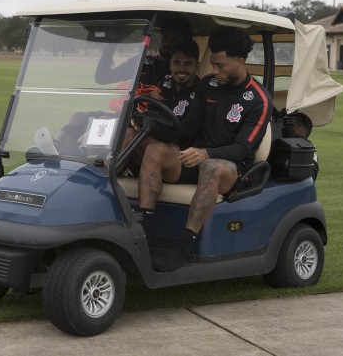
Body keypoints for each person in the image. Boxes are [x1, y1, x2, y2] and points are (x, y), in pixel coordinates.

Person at [136, 26, 273, 272]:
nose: (215, 71)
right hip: (196, 156)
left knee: (210, 167)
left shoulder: (258, 99)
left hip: (232, 169)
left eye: (221, 66)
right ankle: (143, 235)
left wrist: (207, 153)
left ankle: (183, 247)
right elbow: (188, 128)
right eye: (213, 64)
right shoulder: (208, 85)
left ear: (240, 61)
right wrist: (153, 127)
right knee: (155, 150)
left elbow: (242, 149)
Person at [55, 16, 193, 155]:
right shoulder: (144, 62)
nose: (166, 44)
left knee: (105, 123)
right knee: (79, 116)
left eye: (173, 39)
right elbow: (103, 77)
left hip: (148, 125)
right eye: (164, 39)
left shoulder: (183, 75)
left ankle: (70, 157)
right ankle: (55, 151)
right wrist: (113, 42)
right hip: (127, 116)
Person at [119, 39, 201, 177]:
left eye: (187, 64)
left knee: (141, 142)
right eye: (177, 63)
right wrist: (137, 119)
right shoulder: (163, 85)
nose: (181, 69)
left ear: (196, 66)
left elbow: (190, 130)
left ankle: (107, 177)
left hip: (181, 151)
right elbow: (148, 112)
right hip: (156, 141)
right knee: (125, 132)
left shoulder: (201, 91)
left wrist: (156, 128)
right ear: (170, 65)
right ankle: (109, 175)